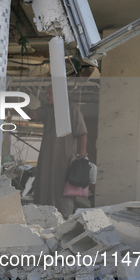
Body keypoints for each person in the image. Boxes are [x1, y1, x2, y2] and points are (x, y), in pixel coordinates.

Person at [30, 85, 87, 218]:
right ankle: (41, 216)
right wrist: (30, 112)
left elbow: (82, 133)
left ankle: (63, 217)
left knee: (62, 190)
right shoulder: (48, 110)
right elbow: (35, 114)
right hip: (47, 158)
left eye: (50, 93)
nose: (47, 96)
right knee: (44, 185)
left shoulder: (72, 109)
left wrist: (82, 156)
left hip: (65, 158)